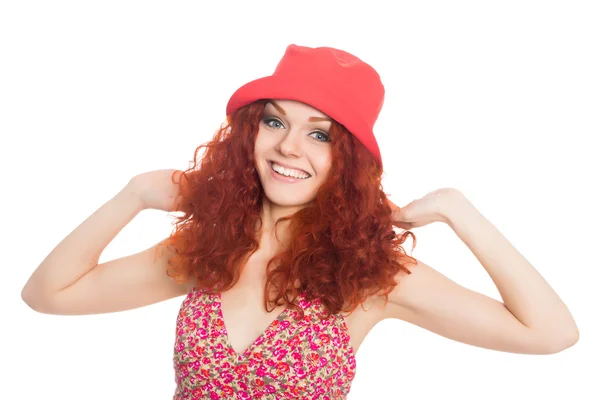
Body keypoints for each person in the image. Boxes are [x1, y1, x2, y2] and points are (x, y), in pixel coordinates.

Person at [21, 44, 579, 399]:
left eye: (320, 134)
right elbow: (48, 294)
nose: (289, 148)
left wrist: (462, 212)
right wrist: (134, 195)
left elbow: (551, 334)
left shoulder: (370, 278)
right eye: (274, 121)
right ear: (250, 133)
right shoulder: (207, 252)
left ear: (347, 162)